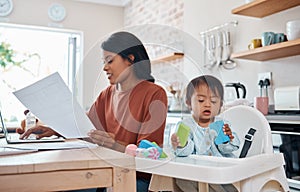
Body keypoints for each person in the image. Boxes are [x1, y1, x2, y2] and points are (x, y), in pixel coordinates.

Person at [19, 31, 168, 192]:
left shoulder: (154, 93)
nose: (105, 68)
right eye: (103, 62)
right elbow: (86, 131)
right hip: (103, 172)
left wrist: (114, 145)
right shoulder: (107, 94)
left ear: (130, 59)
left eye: (110, 60)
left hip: (133, 178)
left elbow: (149, 155)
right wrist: (54, 129)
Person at [170, 75, 240, 192]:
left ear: (220, 105)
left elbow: (229, 149)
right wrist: (181, 144)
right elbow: (183, 154)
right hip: (194, 174)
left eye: (213, 101)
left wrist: (227, 139)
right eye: (201, 100)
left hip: (220, 173)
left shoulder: (222, 124)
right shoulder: (185, 126)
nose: (207, 104)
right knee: (182, 179)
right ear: (188, 103)